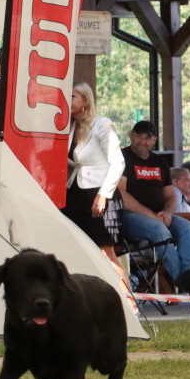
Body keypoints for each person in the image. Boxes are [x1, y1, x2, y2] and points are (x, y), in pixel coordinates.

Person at [117, 121, 190, 294]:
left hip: (160, 215)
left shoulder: (159, 162)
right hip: (130, 217)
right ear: (131, 136)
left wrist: (167, 212)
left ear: (154, 140)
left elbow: (171, 196)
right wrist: (151, 215)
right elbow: (121, 195)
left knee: (187, 227)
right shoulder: (122, 158)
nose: (143, 141)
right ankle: (184, 282)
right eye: (139, 136)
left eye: (148, 138)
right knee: (160, 231)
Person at [62, 82, 127, 282]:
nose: (67, 99)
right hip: (77, 193)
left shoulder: (102, 124)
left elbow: (118, 162)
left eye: (72, 96)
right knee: (75, 247)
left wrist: (103, 194)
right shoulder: (70, 126)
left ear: (85, 101)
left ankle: (129, 304)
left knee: (106, 252)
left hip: (99, 194)